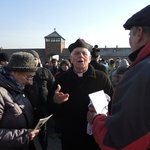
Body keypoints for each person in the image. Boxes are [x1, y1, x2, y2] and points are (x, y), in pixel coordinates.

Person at [87, 5, 150, 150]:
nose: (130, 41)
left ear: (139, 33)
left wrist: (97, 117)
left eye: (130, 36)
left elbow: (118, 140)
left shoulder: (141, 72)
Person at [48, 38, 114, 150]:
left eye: (84, 54)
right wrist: (55, 101)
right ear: (71, 59)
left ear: (89, 58)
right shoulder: (61, 80)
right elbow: (50, 108)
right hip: (70, 136)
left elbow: (113, 104)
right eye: (77, 53)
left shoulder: (101, 78)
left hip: (94, 135)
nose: (81, 56)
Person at [0, 52, 40, 150]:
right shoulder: (2, 93)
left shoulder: (19, 88)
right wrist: (23, 136)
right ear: (14, 72)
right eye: (27, 76)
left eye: (31, 76)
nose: (29, 80)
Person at [28, 50, 55, 150]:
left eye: (34, 59)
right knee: (29, 132)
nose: (33, 61)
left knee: (42, 131)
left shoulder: (45, 71)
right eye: (31, 60)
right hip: (27, 109)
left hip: (42, 107)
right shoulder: (25, 73)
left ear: (38, 59)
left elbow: (53, 87)